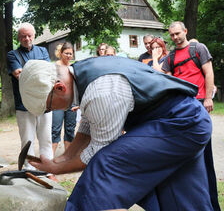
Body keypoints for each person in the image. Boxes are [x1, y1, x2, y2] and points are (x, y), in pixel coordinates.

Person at [18, 58, 214, 210]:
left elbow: (98, 151)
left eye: (49, 108)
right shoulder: (84, 74)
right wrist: (59, 161)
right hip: (187, 120)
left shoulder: (102, 91)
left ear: (59, 88)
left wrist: (58, 169)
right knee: (184, 199)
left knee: (104, 168)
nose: (53, 112)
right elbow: (87, 127)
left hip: (180, 123)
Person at [161, 21, 219, 210]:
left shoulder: (198, 48)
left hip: (200, 104)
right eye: (172, 35)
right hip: (180, 108)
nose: (175, 37)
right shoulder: (170, 57)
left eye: (178, 33)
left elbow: (208, 72)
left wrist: (209, 98)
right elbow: (162, 78)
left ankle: (211, 203)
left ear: (185, 31)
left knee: (204, 154)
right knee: (186, 153)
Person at [7, 23, 54, 176]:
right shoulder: (12, 55)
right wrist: (38, 73)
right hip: (24, 105)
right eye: (22, 36)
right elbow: (19, 75)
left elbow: (49, 73)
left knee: (46, 138)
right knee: (27, 140)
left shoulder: (43, 51)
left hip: (45, 103)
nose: (26, 39)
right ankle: (29, 169)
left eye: (29, 35)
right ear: (18, 37)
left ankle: (48, 169)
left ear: (34, 36)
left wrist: (30, 72)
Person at [51, 42, 77, 155]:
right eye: (66, 53)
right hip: (58, 102)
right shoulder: (54, 67)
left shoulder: (73, 67)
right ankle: (50, 157)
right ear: (61, 53)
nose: (68, 56)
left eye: (70, 54)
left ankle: (68, 156)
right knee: (55, 129)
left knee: (70, 130)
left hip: (71, 102)